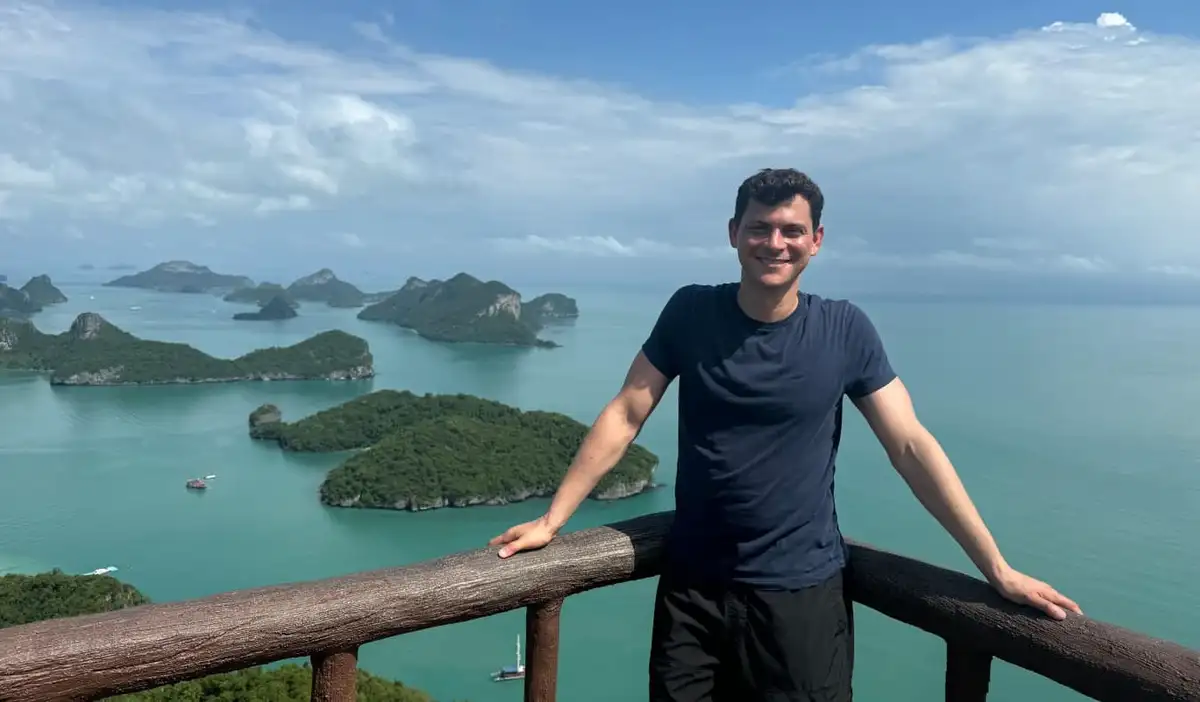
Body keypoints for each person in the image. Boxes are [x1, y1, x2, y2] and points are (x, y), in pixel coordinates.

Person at [489, 168, 1081, 701]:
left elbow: (909, 445)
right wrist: (552, 520)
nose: (775, 243)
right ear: (733, 233)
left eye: (792, 231)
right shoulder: (691, 312)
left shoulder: (844, 329)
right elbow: (626, 413)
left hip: (801, 594)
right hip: (693, 590)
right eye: (760, 228)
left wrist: (996, 568)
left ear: (816, 241)